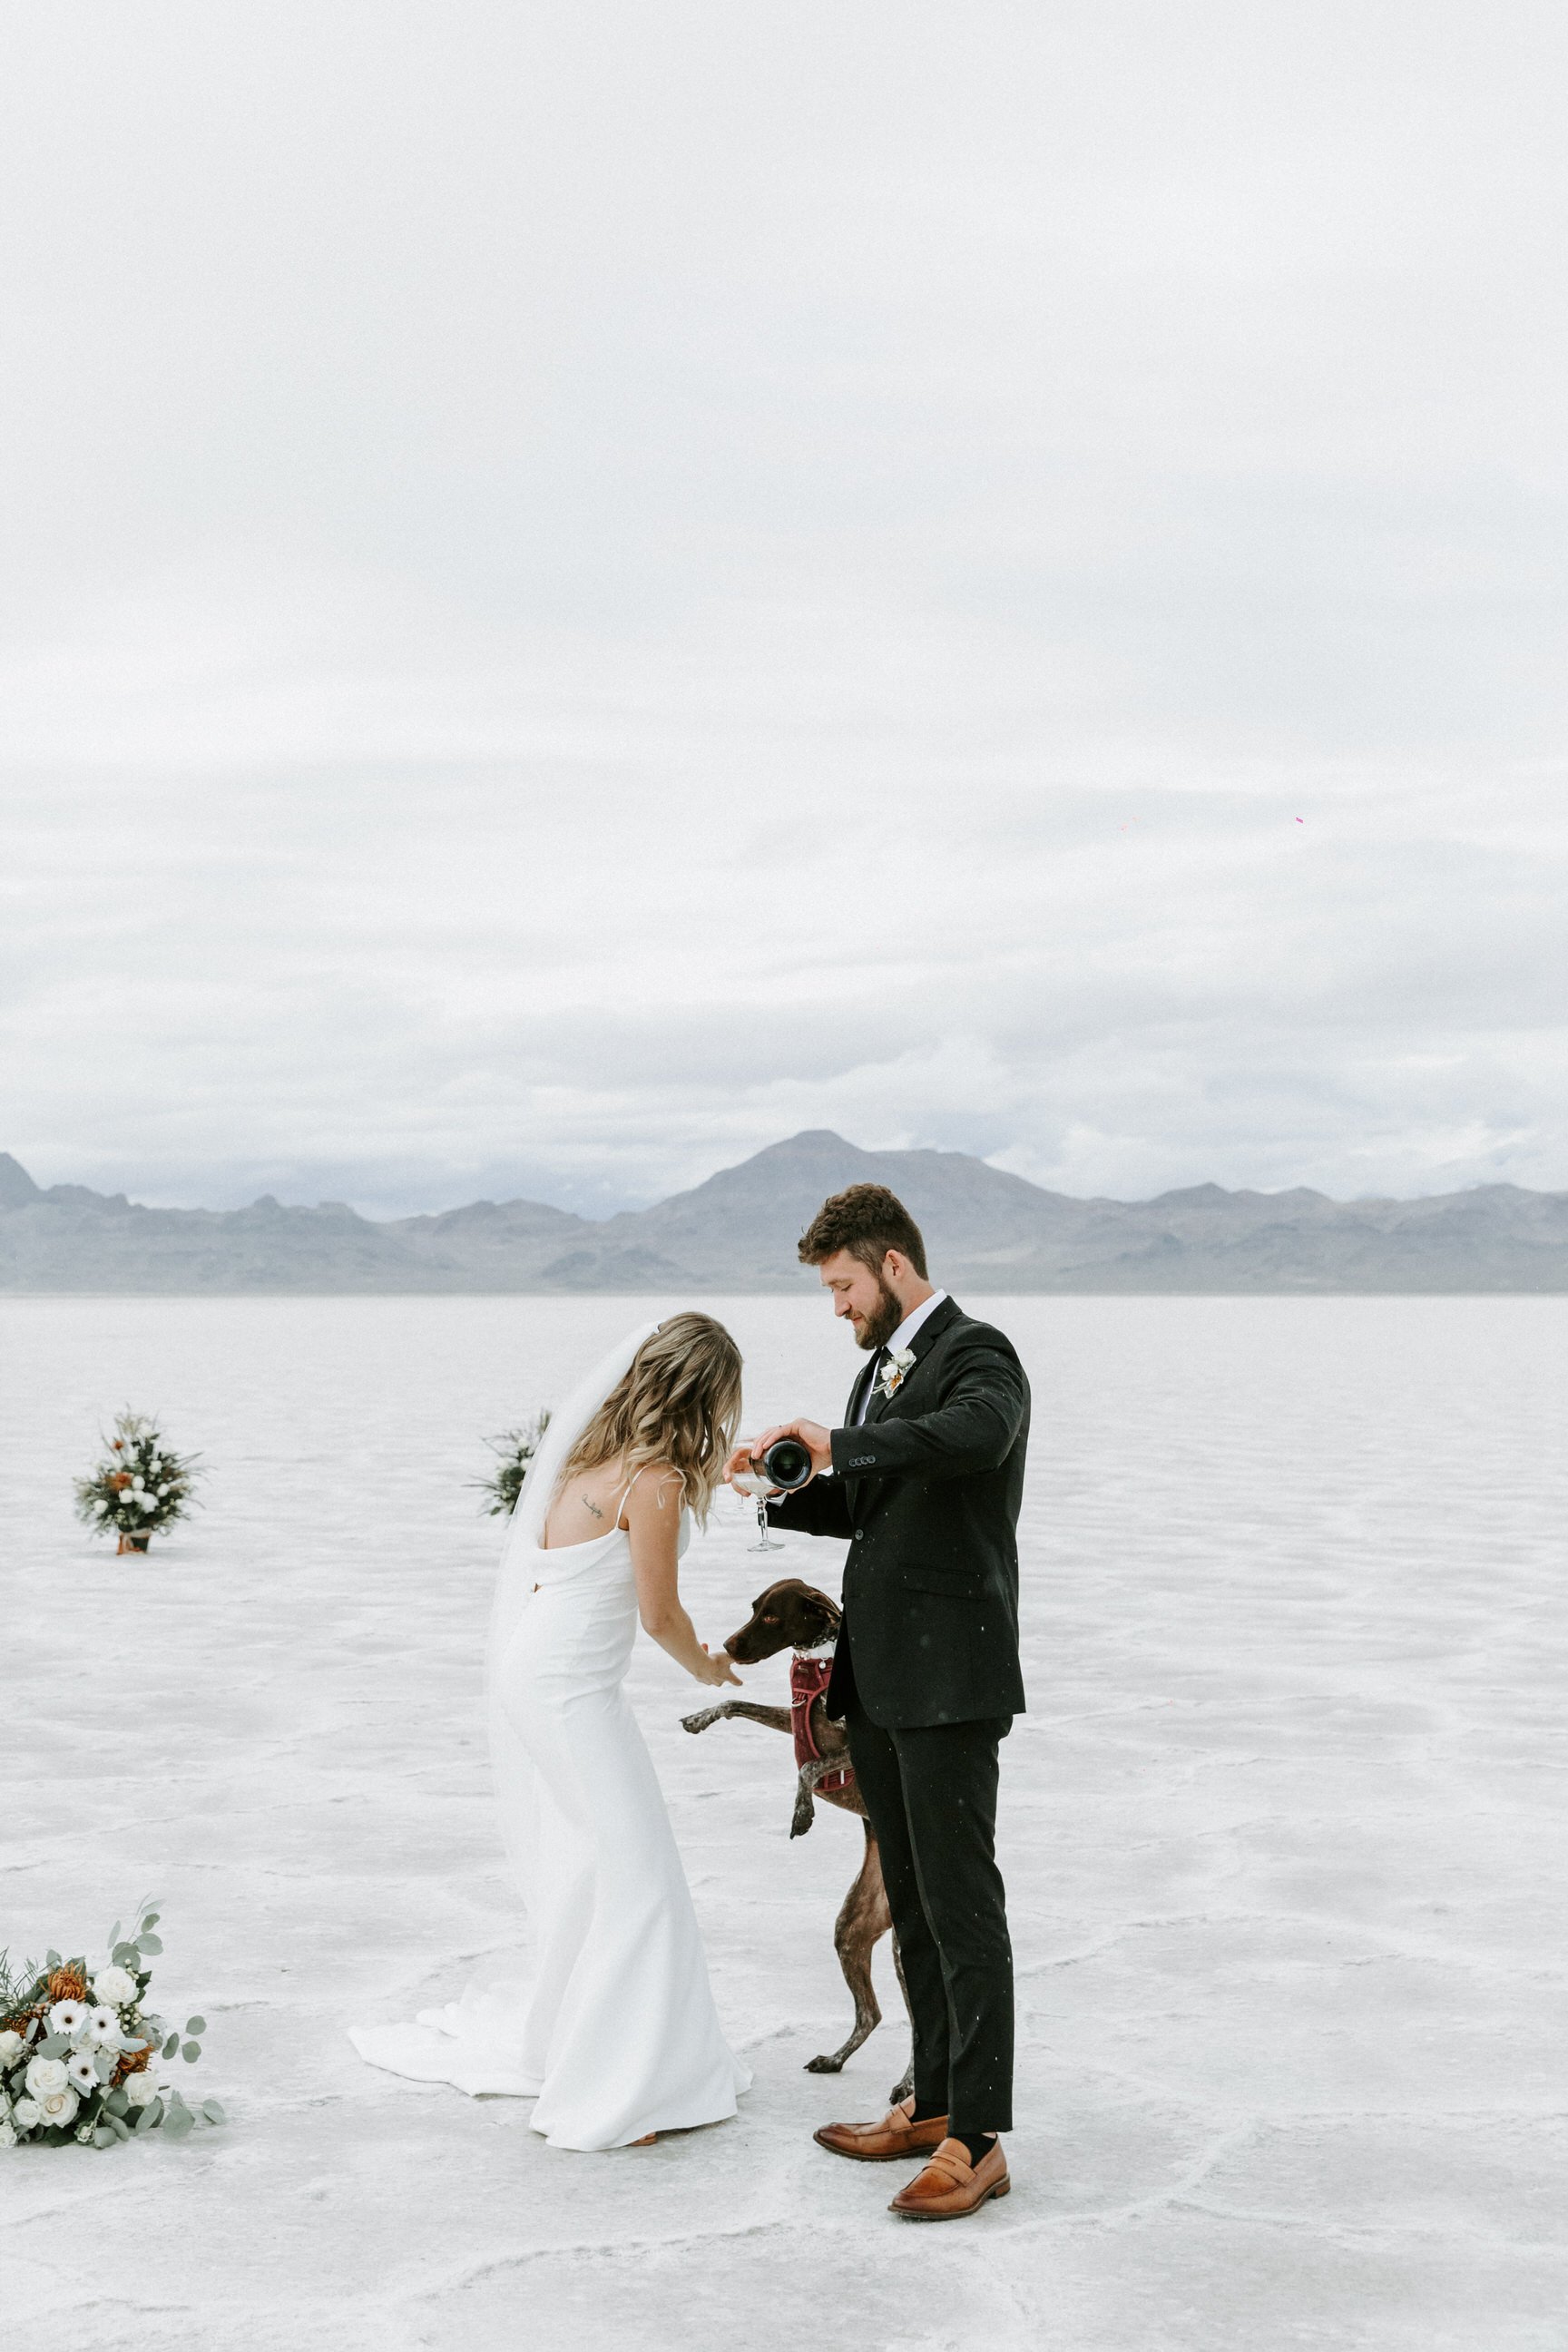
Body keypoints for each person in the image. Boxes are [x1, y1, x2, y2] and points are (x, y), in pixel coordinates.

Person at [351, 1313, 752, 2151]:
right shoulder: (657, 1482)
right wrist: (709, 1668)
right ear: (706, 1393)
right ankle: (618, 2087)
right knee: (636, 1872)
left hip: (536, 1674)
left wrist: (729, 1476)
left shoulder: (586, 1464)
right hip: (572, 1693)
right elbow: (659, 1614)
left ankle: (586, 2045)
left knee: (598, 1862)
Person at [730, 1184, 1028, 2220]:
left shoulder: (980, 1356)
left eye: (845, 1285)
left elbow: (973, 1440)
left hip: (953, 1681)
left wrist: (843, 1440)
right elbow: (866, 1502)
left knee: (962, 1907)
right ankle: (931, 2097)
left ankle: (979, 2139)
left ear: (894, 1266)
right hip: (885, 1679)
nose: (840, 1306)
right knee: (913, 1910)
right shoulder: (878, 1375)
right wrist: (784, 1482)